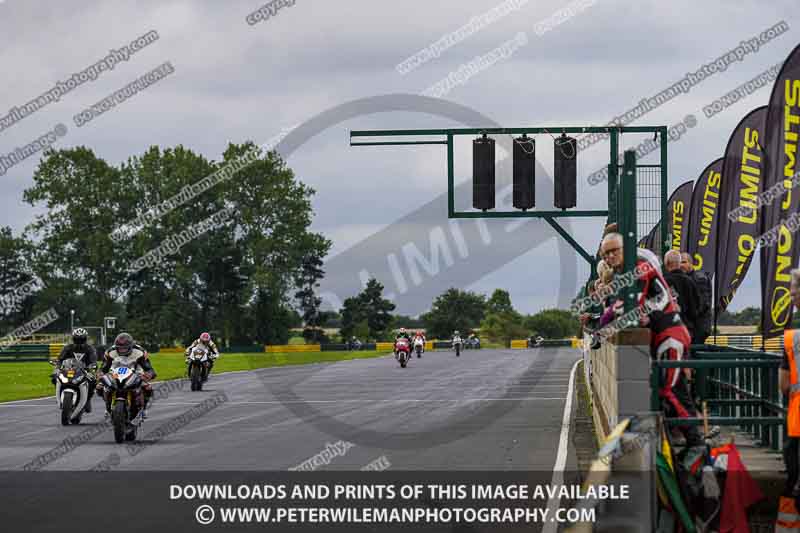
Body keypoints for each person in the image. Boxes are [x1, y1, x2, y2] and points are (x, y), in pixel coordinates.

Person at [600, 233, 701, 446]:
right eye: (606, 254)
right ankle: (683, 440)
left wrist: (609, 325)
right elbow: (625, 306)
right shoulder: (626, 271)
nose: (609, 257)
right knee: (673, 389)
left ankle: (695, 442)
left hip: (670, 335)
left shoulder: (638, 266)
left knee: (669, 389)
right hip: (664, 335)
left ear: (625, 248)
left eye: (613, 251)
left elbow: (633, 305)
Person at [777, 268, 800, 531]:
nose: (791, 295)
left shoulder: (792, 337)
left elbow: (784, 384)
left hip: (797, 423)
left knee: (794, 483)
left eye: (793, 291)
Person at [96, 333, 156, 417]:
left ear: (130, 346)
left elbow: (149, 368)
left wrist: (148, 374)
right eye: (120, 349)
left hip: (135, 372)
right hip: (115, 373)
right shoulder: (110, 352)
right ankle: (108, 406)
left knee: (148, 388)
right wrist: (100, 374)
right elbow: (104, 367)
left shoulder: (140, 352)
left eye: (124, 348)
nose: (122, 350)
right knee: (100, 386)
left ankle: (143, 408)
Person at [53, 328, 98, 413]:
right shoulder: (68, 348)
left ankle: (87, 400)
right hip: (69, 369)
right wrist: (58, 366)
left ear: (85, 339)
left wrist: (92, 366)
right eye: (77, 339)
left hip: (85, 371)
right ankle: (59, 394)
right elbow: (60, 359)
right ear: (73, 339)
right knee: (54, 377)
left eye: (81, 339)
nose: (79, 341)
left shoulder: (90, 349)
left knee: (93, 381)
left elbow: (93, 360)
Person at [663, 250, 701, 341]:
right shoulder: (690, 282)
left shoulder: (663, 282)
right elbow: (697, 307)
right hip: (687, 330)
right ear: (679, 263)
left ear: (667, 263)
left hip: (669, 331)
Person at [680, 252, 712, 344]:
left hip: (698, 328)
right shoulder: (685, 278)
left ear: (691, 263)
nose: (681, 265)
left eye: (684, 262)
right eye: (680, 263)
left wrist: (688, 316)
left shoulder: (699, 279)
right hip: (691, 327)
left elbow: (703, 304)